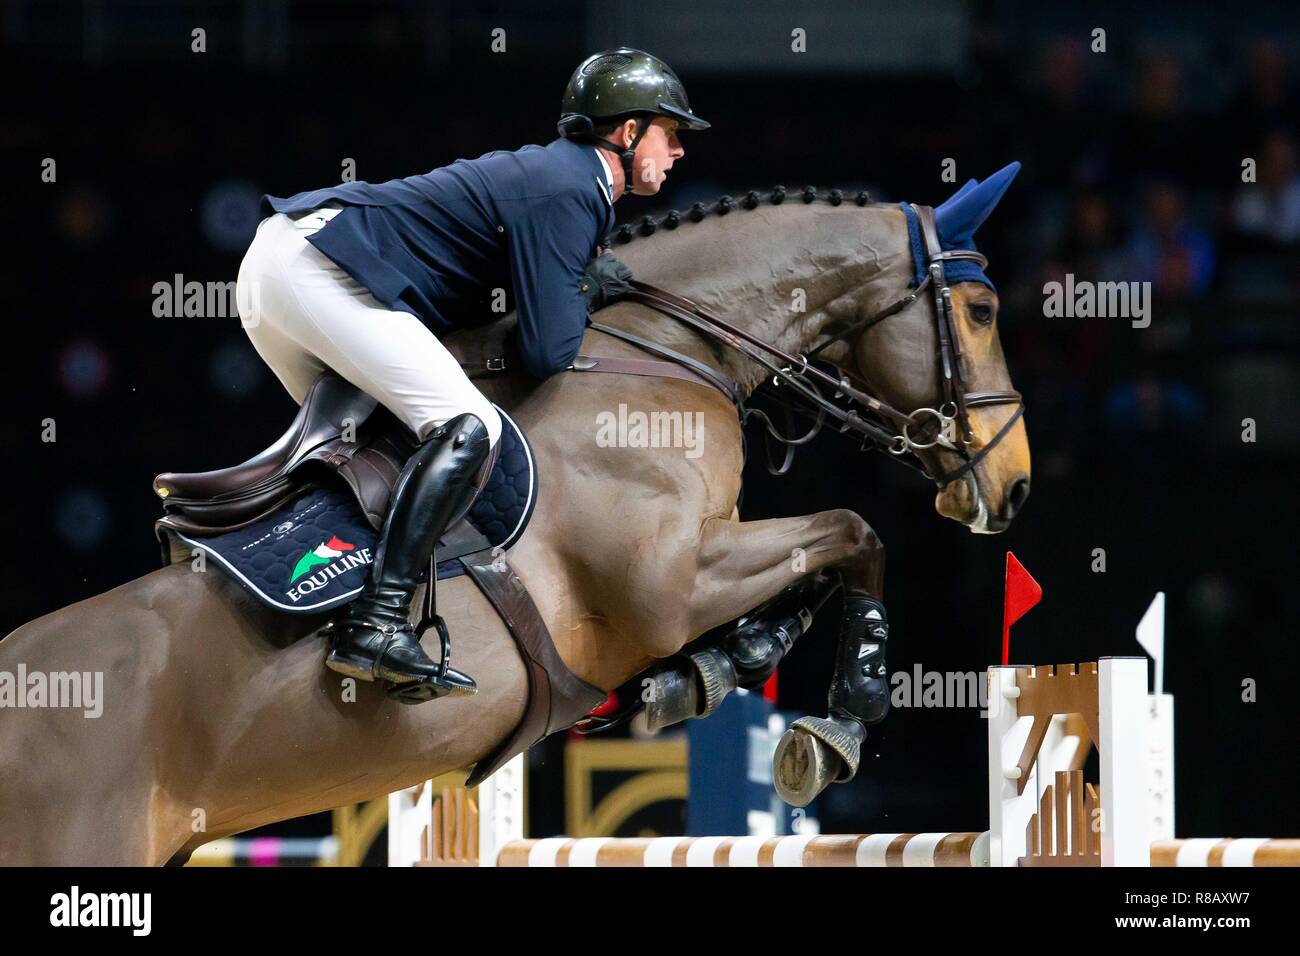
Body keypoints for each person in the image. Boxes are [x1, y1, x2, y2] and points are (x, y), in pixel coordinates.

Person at [235, 48, 708, 702]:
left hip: (283, 268)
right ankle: (373, 625)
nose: (679, 149)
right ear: (628, 133)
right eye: (671, 131)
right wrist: (587, 291)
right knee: (468, 425)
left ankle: (307, 596)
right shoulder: (574, 185)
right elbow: (548, 351)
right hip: (319, 267)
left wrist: (575, 282)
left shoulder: (561, 178)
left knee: (375, 452)